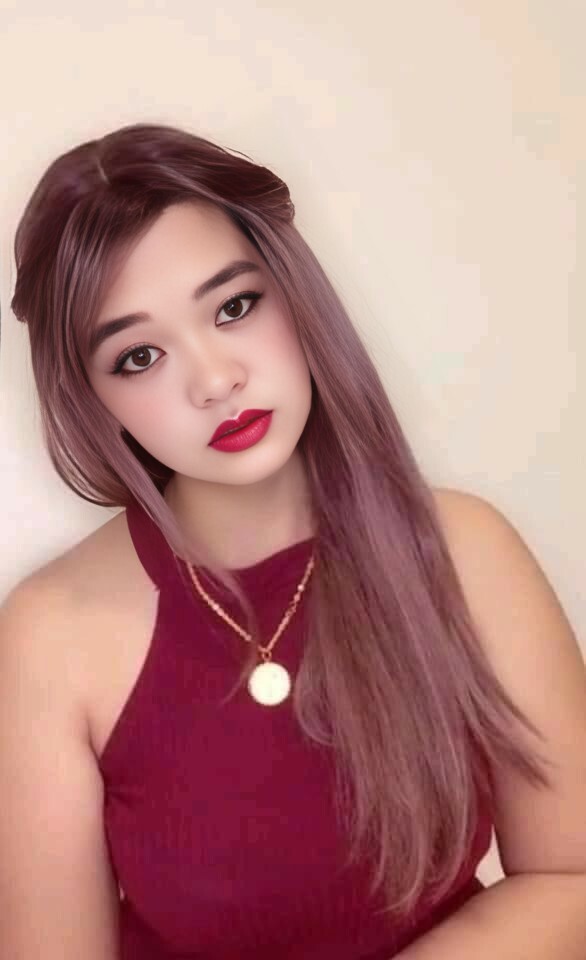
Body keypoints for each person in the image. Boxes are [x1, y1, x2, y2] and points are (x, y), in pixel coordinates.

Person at [1, 122, 582, 960]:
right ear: (95, 400)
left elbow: (569, 877)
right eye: (140, 356)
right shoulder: (51, 634)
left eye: (234, 307)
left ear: (294, 295)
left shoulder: (466, 553)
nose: (214, 379)